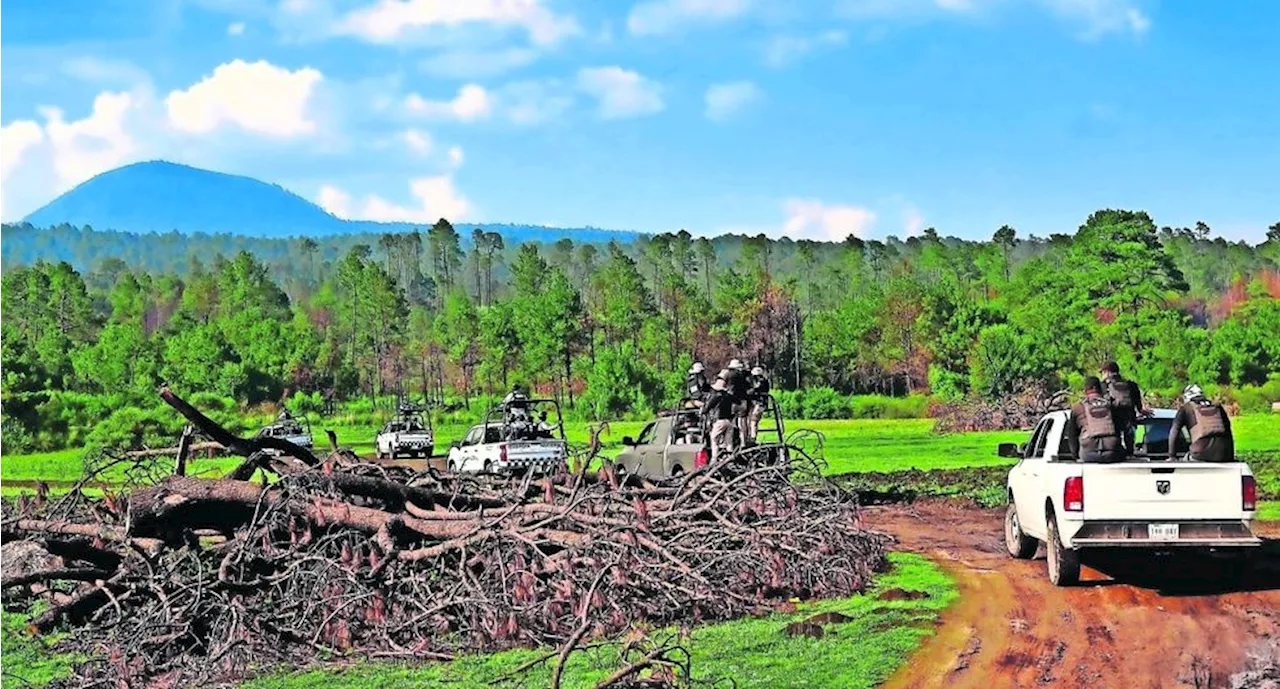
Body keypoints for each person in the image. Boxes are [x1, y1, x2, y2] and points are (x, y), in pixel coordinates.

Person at [1064, 376, 1125, 464]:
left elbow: (1072, 435)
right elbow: (1121, 427)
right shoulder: (1111, 406)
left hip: (1088, 454)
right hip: (1113, 453)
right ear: (1100, 389)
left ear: (1085, 390)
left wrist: (1075, 455)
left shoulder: (1078, 408)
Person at [1169, 384, 1234, 463]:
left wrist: (1172, 456)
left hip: (1200, 452)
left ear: (1186, 397)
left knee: (1184, 461)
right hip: (1223, 453)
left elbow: (1174, 431)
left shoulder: (1186, 408)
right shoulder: (1217, 406)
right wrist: (1230, 456)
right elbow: (1228, 431)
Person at [1100, 361, 1144, 455]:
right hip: (1129, 418)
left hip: (1112, 419)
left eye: (1102, 372)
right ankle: (1130, 453)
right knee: (1129, 438)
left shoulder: (1102, 386)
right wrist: (1141, 410)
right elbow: (1138, 403)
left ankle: (1117, 453)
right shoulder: (1131, 385)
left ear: (1107, 372)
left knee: (1115, 439)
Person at [702, 378, 738, 462]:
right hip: (729, 422)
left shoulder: (716, 397)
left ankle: (714, 458)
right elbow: (738, 402)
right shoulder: (729, 396)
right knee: (729, 441)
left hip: (719, 421)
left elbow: (707, 408)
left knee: (714, 438)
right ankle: (730, 458)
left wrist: (703, 411)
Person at [746, 366, 771, 443]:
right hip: (757, 403)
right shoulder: (763, 381)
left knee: (753, 421)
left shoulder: (762, 382)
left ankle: (753, 438)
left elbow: (755, 390)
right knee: (750, 421)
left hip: (760, 404)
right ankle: (750, 437)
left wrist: (748, 392)